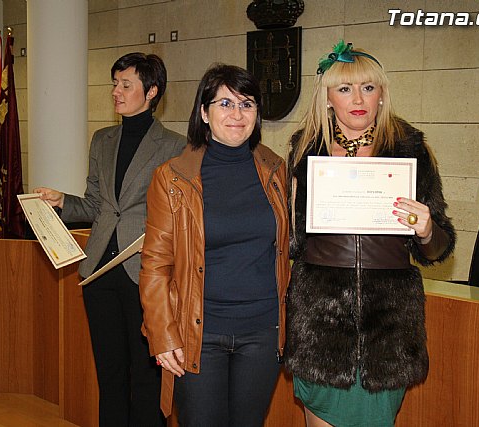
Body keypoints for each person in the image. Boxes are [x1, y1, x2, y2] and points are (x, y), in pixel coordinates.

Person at [284, 41, 456, 427]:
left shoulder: (410, 149)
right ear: (328, 98)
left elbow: (438, 247)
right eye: (345, 88)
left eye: (368, 87)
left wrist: (427, 230)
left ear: (381, 94)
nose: (358, 99)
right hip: (321, 325)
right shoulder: (306, 150)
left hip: (387, 328)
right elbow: (292, 243)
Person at [34, 52, 186, 427]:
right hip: (99, 273)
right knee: (110, 373)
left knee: (147, 376)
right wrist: (62, 201)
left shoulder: (176, 146)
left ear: (152, 91)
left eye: (126, 85)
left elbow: (182, 214)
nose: (116, 91)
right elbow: (96, 205)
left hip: (146, 274)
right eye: (115, 84)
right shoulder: (102, 140)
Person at [138, 64, 291, 427]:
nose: (237, 114)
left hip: (262, 331)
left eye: (247, 104)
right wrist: (161, 334)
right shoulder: (172, 177)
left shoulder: (275, 169)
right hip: (198, 333)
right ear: (204, 113)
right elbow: (155, 264)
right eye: (225, 103)